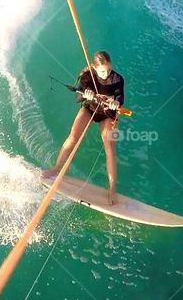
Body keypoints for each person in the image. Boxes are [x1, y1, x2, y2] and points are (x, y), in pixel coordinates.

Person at [41, 51, 124, 205]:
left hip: (107, 114)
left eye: (108, 70)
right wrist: (86, 95)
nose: (106, 74)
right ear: (94, 68)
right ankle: (57, 168)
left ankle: (112, 189)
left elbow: (120, 98)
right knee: (73, 136)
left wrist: (116, 103)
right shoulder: (87, 77)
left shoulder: (118, 79)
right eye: (102, 71)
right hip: (90, 109)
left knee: (110, 149)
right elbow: (77, 97)